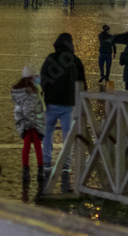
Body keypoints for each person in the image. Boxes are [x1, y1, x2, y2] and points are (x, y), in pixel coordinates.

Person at [40, 33, 86, 173]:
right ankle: (66, 164)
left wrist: (43, 94)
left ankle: (46, 161)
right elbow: (82, 82)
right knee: (68, 135)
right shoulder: (75, 61)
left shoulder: (51, 58)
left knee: (47, 133)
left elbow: (43, 77)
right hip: (68, 104)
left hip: (51, 103)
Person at [12, 66, 46, 183]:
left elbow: (19, 109)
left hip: (25, 124)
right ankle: (40, 171)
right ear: (32, 78)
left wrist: (22, 123)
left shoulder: (19, 91)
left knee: (26, 147)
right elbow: (37, 108)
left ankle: (25, 171)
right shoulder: (34, 90)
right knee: (37, 146)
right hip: (34, 123)